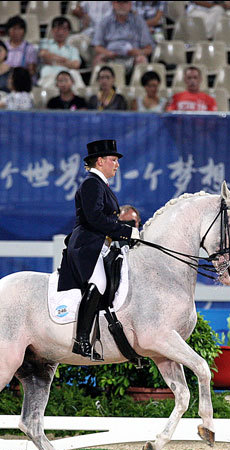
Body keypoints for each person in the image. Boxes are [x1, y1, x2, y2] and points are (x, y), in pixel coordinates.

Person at [57, 139, 140, 358]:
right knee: (99, 282)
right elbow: (95, 218)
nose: (117, 164)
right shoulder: (91, 184)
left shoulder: (100, 184)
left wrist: (125, 232)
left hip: (98, 243)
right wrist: (125, 230)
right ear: (100, 161)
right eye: (113, 160)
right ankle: (82, 340)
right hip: (87, 244)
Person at [91, 1, 155, 73]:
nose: (122, 5)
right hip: (110, 57)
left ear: (130, 4)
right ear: (113, 4)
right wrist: (108, 53)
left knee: (142, 60)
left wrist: (137, 52)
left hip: (133, 57)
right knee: (98, 60)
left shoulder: (139, 22)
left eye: (125, 2)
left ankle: (138, 83)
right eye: (119, 2)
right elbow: (97, 46)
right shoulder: (104, 22)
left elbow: (149, 48)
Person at [38, 16, 83, 89]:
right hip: (50, 75)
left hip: (67, 77)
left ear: (68, 31)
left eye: (64, 29)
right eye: (58, 29)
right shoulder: (45, 43)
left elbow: (76, 65)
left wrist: (54, 60)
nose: (61, 32)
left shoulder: (73, 49)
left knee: (75, 74)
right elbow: (44, 55)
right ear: (52, 30)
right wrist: (66, 61)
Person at [4, 16, 38, 80]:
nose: (17, 32)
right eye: (14, 28)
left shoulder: (29, 48)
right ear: (8, 30)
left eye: (19, 29)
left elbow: (32, 71)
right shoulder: (3, 47)